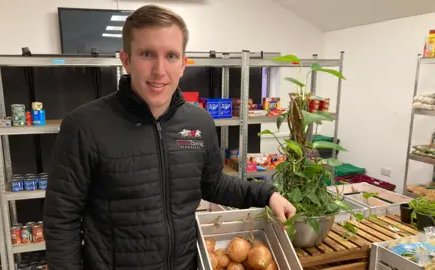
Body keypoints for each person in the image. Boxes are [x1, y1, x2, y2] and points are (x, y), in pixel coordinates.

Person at [43, 4, 295, 270]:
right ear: (126, 60)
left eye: (171, 55)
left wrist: (267, 194)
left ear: (184, 63)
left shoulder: (199, 122)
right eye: (147, 54)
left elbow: (214, 184)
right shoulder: (84, 126)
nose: (159, 70)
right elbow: (61, 219)